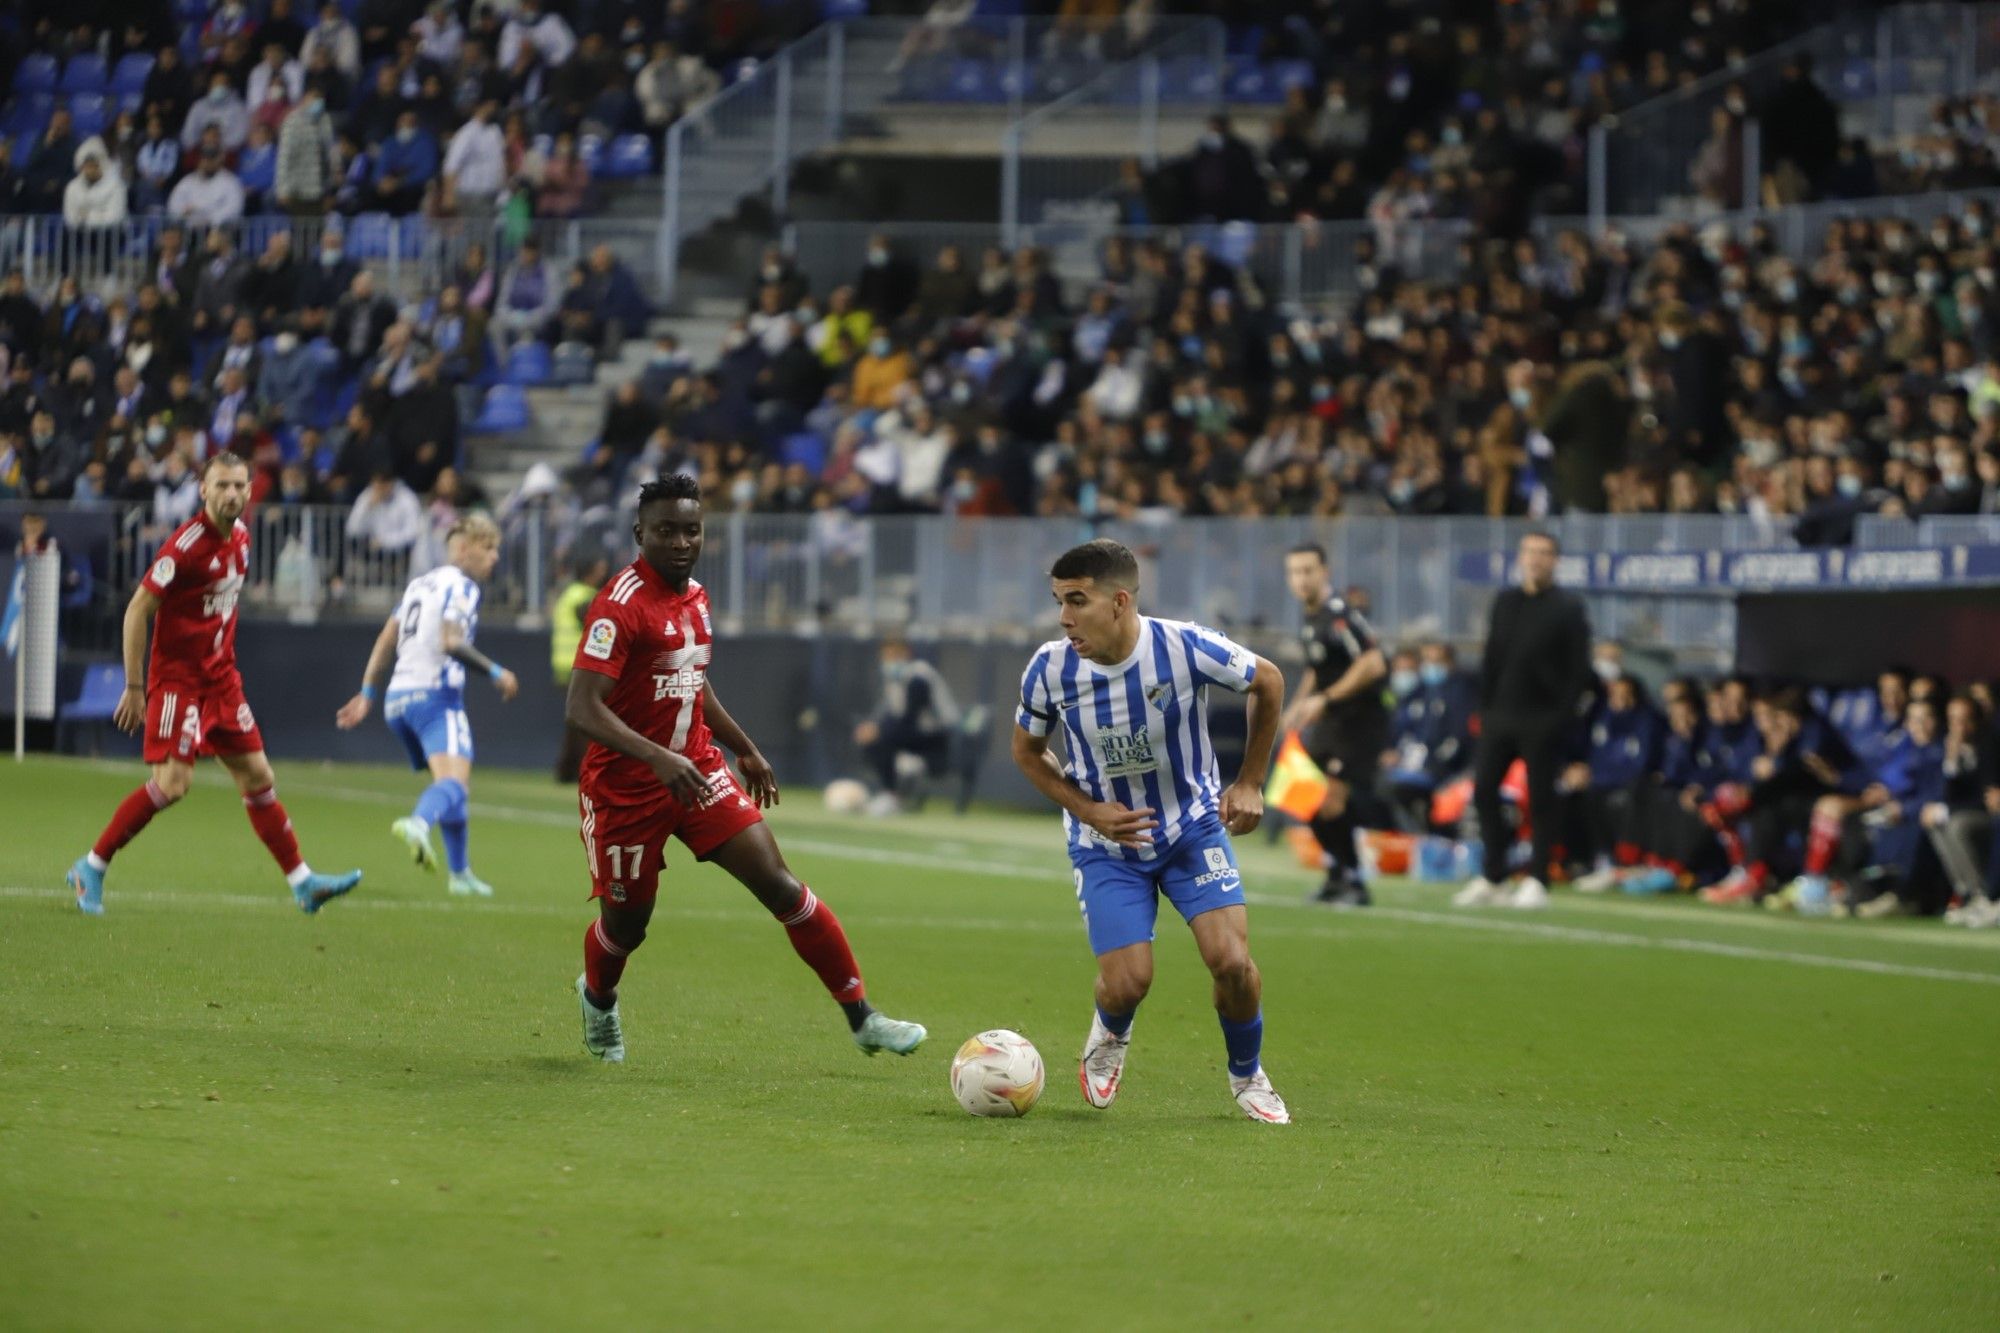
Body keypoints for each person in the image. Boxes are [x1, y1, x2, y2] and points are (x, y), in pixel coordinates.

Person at [563, 475, 927, 1064]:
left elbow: (691, 679)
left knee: (781, 885)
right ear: (639, 535)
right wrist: (658, 757)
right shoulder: (619, 606)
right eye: (666, 531)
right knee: (627, 926)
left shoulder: (697, 597)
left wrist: (744, 747)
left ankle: (863, 1018)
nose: (681, 542)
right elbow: (581, 708)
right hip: (625, 788)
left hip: (698, 771)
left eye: (691, 530)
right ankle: (599, 998)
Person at [1009, 538, 1290, 1124]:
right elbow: (1028, 753)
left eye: (1077, 601)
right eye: (1059, 600)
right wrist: (1089, 811)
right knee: (1128, 983)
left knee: (1232, 962)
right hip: (1107, 845)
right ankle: (1110, 1034)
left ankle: (1248, 1075)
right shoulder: (1049, 668)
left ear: (1118, 601)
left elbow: (1268, 680)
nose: (1064, 617)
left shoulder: (1184, 646)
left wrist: (1250, 782)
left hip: (1192, 829)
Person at [65, 454, 362, 916]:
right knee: (173, 783)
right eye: (222, 485)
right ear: (203, 490)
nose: (232, 494)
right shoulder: (184, 547)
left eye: (240, 486)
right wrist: (135, 684)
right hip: (178, 682)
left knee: (259, 776)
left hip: (221, 681)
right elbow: (137, 610)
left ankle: (303, 883)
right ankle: (91, 866)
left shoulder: (242, 538)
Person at [334, 514, 518, 897]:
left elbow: (387, 637)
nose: (495, 557)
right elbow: (451, 641)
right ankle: (419, 823)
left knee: (450, 784)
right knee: (454, 783)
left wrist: (367, 693)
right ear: (463, 549)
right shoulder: (463, 588)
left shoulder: (420, 585)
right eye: (489, 548)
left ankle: (461, 874)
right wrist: (497, 671)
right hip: (436, 698)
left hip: (397, 701)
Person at [1457, 531, 1593, 909]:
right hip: (1500, 715)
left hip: (1542, 720)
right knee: (1483, 792)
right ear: (1520, 557)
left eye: (1544, 553)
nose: (1536, 559)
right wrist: (1485, 710)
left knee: (1541, 801)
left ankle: (1537, 879)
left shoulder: (1568, 607)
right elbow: (1492, 658)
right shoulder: (1505, 601)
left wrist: (1560, 718)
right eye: (1530, 552)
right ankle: (1494, 874)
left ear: (1555, 560)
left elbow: (1578, 670)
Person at [1279, 543, 1388, 907]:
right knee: (1305, 797)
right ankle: (1337, 873)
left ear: (1325, 571)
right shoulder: (1312, 618)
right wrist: (1296, 707)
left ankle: (1355, 879)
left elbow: (1373, 663)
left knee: (1331, 798)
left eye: (1308, 570)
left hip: (1358, 720)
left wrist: (1324, 700)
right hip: (1331, 721)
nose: (1302, 579)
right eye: (1295, 572)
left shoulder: (1340, 614)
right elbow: (1317, 668)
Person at [852, 636, 958, 814]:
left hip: (937, 737)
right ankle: (892, 792)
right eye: (886, 656)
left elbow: (910, 718)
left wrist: (879, 730)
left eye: (894, 655)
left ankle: (893, 797)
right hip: (914, 733)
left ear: (906, 653)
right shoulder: (895, 680)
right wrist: (872, 727)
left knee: (882, 738)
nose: (890, 661)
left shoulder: (919, 677)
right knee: (874, 738)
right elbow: (892, 715)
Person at [550, 553, 608, 783]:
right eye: (600, 568)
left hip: (564, 666)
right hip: (580, 668)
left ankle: (566, 771)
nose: (603, 573)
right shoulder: (583, 597)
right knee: (588, 721)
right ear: (590, 571)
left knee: (577, 722)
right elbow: (594, 622)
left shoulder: (568, 594)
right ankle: (586, 771)